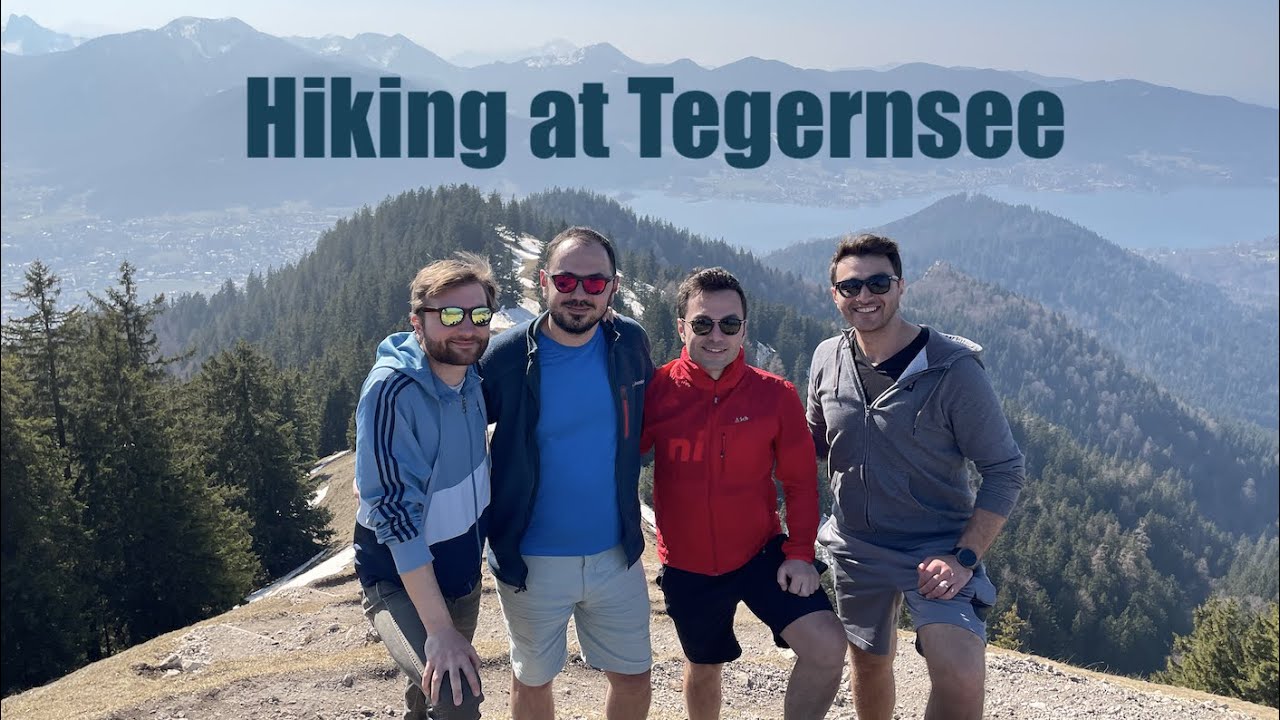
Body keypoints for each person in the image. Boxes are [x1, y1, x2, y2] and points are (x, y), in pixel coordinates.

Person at [807, 233, 1027, 720]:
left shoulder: (953, 370)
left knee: (961, 675)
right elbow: (812, 445)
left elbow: (1005, 468)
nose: (865, 296)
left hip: (936, 549)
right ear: (835, 295)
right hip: (855, 545)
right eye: (850, 286)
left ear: (901, 286)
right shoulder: (827, 358)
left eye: (878, 282)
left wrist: (964, 556)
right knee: (867, 664)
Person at [641, 267, 847, 720]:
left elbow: (798, 484)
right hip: (687, 563)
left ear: (744, 330)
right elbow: (617, 463)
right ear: (681, 327)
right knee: (704, 666)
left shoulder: (775, 395)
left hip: (760, 553)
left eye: (729, 324)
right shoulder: (655, 392)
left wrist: (799, 553)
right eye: (702, 324)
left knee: (828, 647)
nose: (717, 336)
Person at [478, 226, 655, 720]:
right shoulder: (508, 357)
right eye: (567, 279)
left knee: (635, 677)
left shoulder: (630, 345)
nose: (580, 293)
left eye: (595, 283)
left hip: (616, 556)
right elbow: (454, 416)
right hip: (531, 559)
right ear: (544, 282)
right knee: (533, 680)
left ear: (613, 289)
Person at [352, 253, 497, 720]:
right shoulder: (392, 391)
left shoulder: (471, 375)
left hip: (462, 572)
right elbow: (396, 516)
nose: (466, 328)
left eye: (478, 315)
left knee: (427, 695)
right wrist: (437, 628)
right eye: (450, 315)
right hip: (396, 575)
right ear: (418, 322)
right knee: (457, 697)